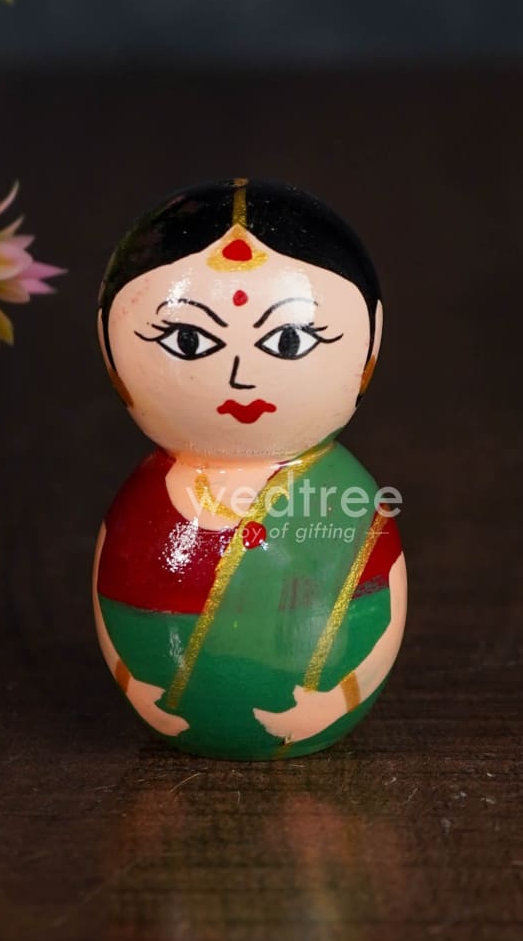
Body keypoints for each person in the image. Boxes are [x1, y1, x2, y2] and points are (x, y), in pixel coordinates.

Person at [93, 178, 407, 760]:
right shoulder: (146, 499)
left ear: (371, 342)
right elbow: (116, 615)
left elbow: (382, 613)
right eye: (190, 340)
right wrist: (134, 682)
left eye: (287, 340)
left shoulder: (341, 499)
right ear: (109, 347)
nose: (241, 377)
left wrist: (336, 700)